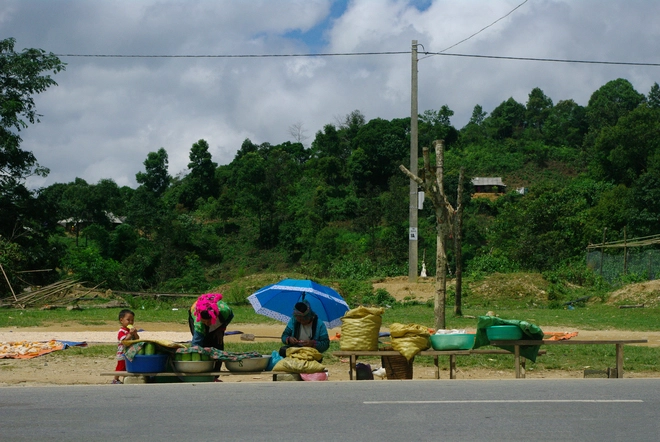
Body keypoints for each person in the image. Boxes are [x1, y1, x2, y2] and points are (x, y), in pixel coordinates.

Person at [188, 293, 234, 371]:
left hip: (217, 318)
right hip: (196, 315)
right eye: (204, 322)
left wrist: (221, 329)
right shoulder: (198, 322)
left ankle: (215, 373)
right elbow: (196, 342)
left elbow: (230, 316)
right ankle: (202, 370)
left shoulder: (224, 311)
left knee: (218, 344)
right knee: (202, 344)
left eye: (208, 322)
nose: (206, 324)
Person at [113, 308, 139, 384]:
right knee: (120, 366)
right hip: (122, 352)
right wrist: (130, 334)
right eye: (128, 320)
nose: (130, 322)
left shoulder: (130, 331)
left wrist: (135, 334)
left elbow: (137, 339)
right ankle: (115, 379)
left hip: (129, 352)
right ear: (121, 320)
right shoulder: (122, 331)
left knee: (126, 366)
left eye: (132, 320)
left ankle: (125, 377)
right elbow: (124, 340)